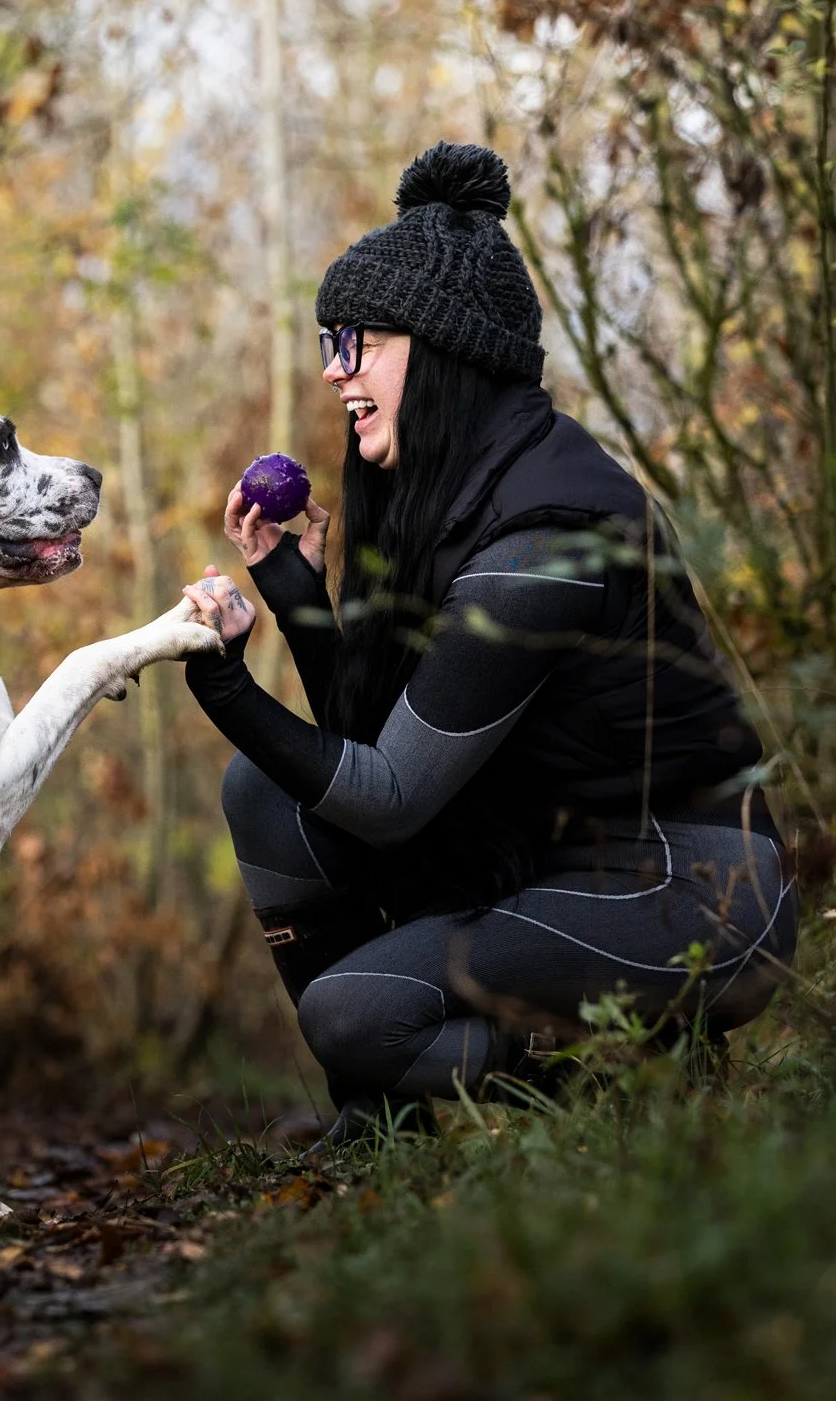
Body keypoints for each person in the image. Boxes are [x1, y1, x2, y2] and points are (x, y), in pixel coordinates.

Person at [179, 142, 792, 1140]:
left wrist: (225, 691)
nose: (335, 369)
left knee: (354, 1015)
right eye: (331, 340)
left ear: (446, 347)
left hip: (695, 894)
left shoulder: (545, 537)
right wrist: (296, 596)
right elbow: (381, 742)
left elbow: (389, 801)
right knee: (263, 795)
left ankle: (626, 1090)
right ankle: (382, 1130)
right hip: (555, 867)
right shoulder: (457, 495)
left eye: (359, 341)